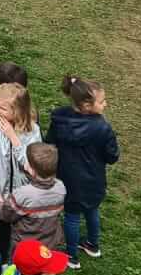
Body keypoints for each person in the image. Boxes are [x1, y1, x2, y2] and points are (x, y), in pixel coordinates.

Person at [46, 77, 117, 259]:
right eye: (102, 102)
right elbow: (112, 156)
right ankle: (92, 244)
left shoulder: (59, 119)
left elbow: (49, 143)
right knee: (92, 210)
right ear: (86, 105)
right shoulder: (102, 128)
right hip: (94, 180)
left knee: (72, 216)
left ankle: (71, 255)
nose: (105, 104)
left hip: (68, 178)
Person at [0, 83, 39, 256]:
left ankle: (3, 267)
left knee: (6, 242)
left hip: (15, 202)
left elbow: (31, 167)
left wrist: (14, 138)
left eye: (2, 108)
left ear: (18, 111)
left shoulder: (33, 132)